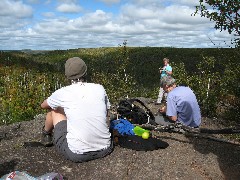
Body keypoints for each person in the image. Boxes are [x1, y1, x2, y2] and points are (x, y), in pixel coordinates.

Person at [40, 57, 113, 163]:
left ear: (67, 75)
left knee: (54, 110)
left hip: (77, 153)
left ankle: (46, 134)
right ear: (85, 71)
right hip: (105, 148)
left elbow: (43, 105)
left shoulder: (63, 92)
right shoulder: (99, 88)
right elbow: (106, 116)